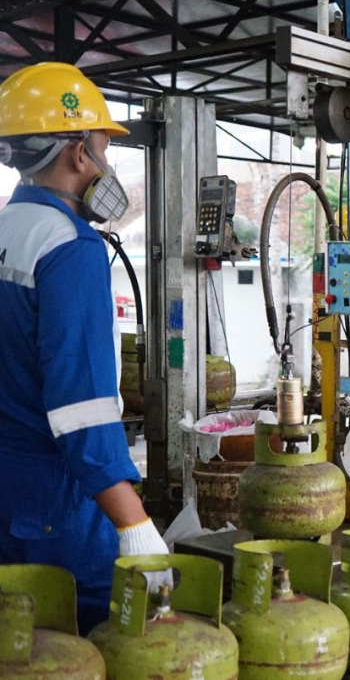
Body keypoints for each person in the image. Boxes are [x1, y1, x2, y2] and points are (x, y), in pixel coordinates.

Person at [0, 62, 168, 634]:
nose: (107, 163)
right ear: (77, 153)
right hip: (57, 506)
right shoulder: (70, 247)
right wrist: (133, 523)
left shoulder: (6, 231)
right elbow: (82, 411)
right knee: (96, 641)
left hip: (6, 489)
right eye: (103, 146)